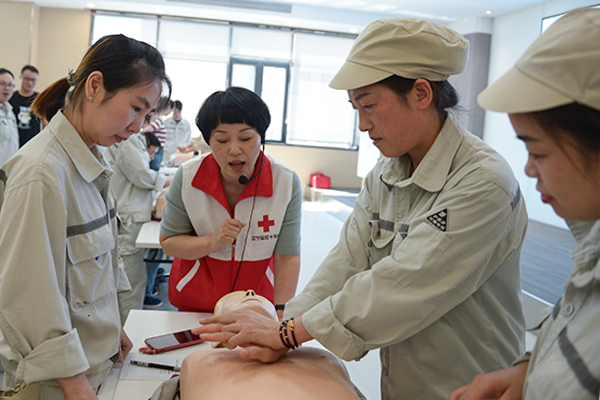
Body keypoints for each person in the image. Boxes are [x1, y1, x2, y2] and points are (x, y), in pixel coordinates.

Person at [194, 17, 529, 400]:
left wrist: (288, 333)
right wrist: (283, 324)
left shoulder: (482, 181)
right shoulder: (388, 171)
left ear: (421, 94)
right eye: (355, 107)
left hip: (471, 381)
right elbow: (347, 260)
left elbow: (406, 282)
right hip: (403, 379)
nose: (362, 125)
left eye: (369, 106)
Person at [0, 34, 171, 399]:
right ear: (95, 86)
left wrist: (110, 330)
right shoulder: (42, 174)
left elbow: (93, 270)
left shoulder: (91, 159)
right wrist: (74, 383)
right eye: (136, 108)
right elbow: (29, 297)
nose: (137, 126)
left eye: (146, 115)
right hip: (58, 383)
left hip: (92, 367)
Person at [450, 7, 600, 400]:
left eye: (540, 153)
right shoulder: (591, 255)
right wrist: (528, 373)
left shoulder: (484, 180)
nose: (530, 170)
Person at [160, 86, 301, 319]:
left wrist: (281, 313)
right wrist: (212, 241)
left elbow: (287, 256)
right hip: (195, 307)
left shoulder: (285, 182)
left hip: (257, 307)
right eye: (222, 140)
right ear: (208, 141)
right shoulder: (187, 178)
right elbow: (169, 243)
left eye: (246, 138)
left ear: (262, 137)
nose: (234, 150)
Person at [149, 290, 362, 400]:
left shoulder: (323, 356)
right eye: (237, 297)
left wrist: (287, 332)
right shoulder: (201, 360)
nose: (251, 292)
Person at [106, 127, 172, 322]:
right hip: (128, 217)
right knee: (130, 281)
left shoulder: (132, 138)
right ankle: (127, 330)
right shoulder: (128, 139)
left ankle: (127, 328)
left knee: (133, 279)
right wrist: (170, 180)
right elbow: (141, 174)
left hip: (130, 214)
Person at [9, 65, 42, 147]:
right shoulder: (11, 98)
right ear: (20, 77)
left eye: (33, 80)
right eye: (27, 79)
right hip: (14, 143)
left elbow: (46, 123)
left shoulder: (40, 99)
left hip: (33, 144)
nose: (30, 83)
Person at [144, 97, 170, 171]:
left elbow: (147, 130)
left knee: (153, 170)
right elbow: (147, 131)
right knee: (152, 170)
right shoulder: (157, 119)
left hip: (156, 149)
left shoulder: (158, 119)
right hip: (155, 149)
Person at [163, 100, 192, 164]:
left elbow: (188, 140)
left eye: (179, 112)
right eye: (175, 112)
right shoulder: (165, 123)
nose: (177, 114)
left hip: (181, 155)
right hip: (167, 154)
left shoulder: (186, 124)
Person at [0, 68, 18, 167]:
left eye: (10, 85)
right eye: (2, 84)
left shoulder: (10, 111)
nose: (7, 88)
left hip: (8, 171)